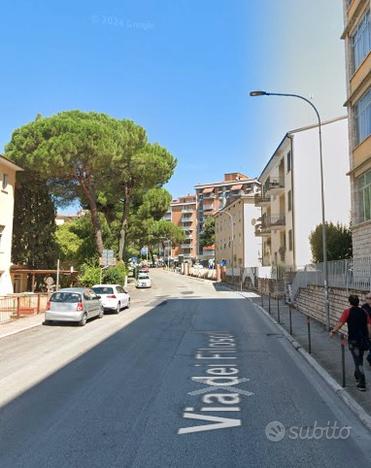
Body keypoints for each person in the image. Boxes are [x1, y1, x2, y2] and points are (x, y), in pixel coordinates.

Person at [330, 295, 371, 391]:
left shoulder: (347, 311)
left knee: (358, 362)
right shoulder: (364, 312)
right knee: (359, 359)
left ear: (350, 302)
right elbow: (369, 325)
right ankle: (357, 376)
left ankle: (362, 383)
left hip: (354, 341)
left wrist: (333, 331)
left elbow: (340, 323)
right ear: (358, 302)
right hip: (363, 340)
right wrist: (369, 337)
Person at [361, 293, 371, 366]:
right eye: (366, 298)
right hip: (367, 330)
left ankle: (369, 358)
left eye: (369, 298)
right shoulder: (364, 307)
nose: (367, 299)